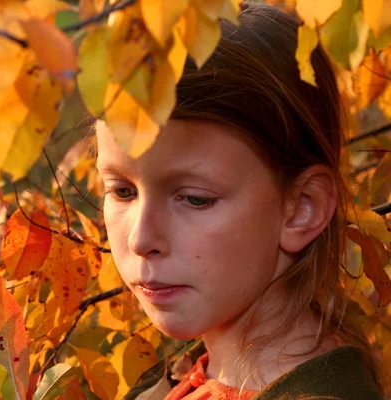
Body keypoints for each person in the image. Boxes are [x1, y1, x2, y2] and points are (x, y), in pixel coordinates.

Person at [94, 2, 386, 399]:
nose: (140, 239)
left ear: (304, 207)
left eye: (195, 199)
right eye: (122, 191)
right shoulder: (168, 383)